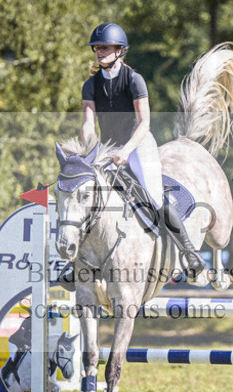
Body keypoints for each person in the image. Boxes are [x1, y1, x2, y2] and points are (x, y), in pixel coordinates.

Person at [81, 22, 205, 273]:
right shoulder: (90, 85)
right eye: (97, 48)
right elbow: (87, 123)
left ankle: (189, 252)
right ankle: (80, 262)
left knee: (154, 195)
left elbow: (144, 123)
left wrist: (126, 151)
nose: (100, 52)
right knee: (87, 196)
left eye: (105, 48)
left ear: (120, 50)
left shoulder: (134, 80)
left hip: (138, 143)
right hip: (107, 147)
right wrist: (89, 152)